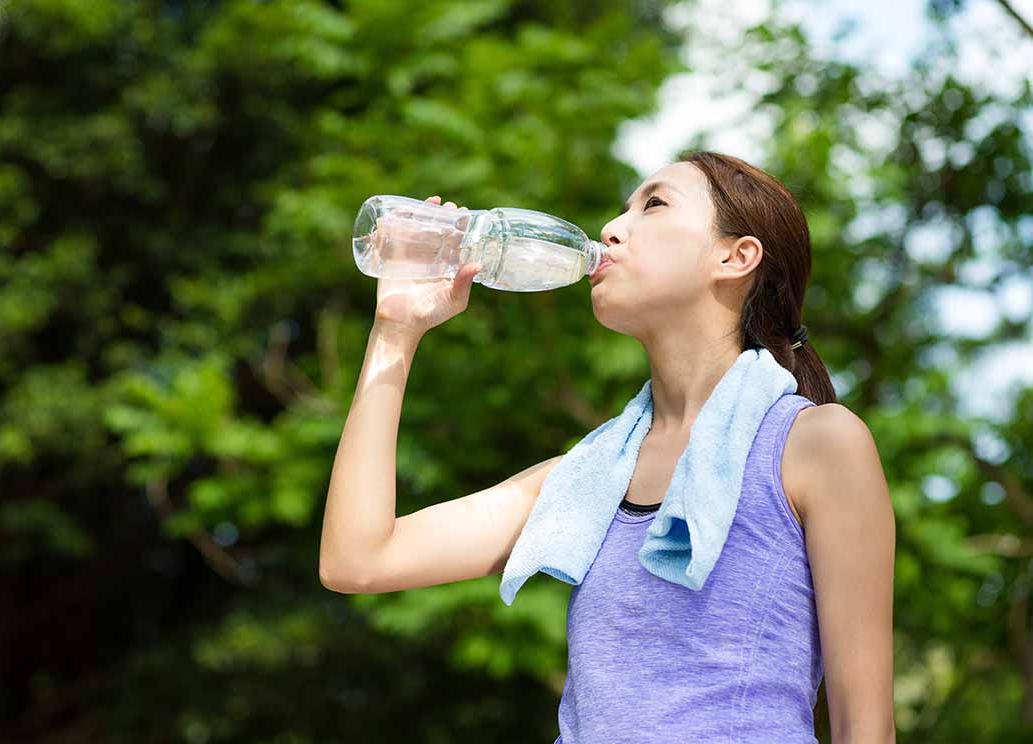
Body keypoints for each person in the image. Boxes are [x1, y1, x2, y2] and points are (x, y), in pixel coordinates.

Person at [319, 151, 895, 743]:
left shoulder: (816, 444)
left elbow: (866, 728)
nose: (612, 229)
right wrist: (396, 329)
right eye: (622, 209)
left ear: (735, 256)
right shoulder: (585, 477)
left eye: (654, 205)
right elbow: (357, 560)